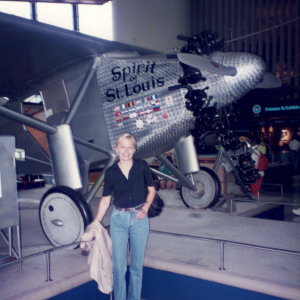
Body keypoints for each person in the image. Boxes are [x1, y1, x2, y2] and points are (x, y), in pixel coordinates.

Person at [95, 133, 156, 300]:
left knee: (137, 266)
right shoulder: (111, 172)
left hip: (139, 218)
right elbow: (106, 199)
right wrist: (96, 222)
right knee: (119, 267)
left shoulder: (142, 166)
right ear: (116, 148)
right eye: (123, 147)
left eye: (130, 147)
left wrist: (145, 208)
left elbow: (151, 190)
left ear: (134, 149)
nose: (126, 151)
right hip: (119, 219)